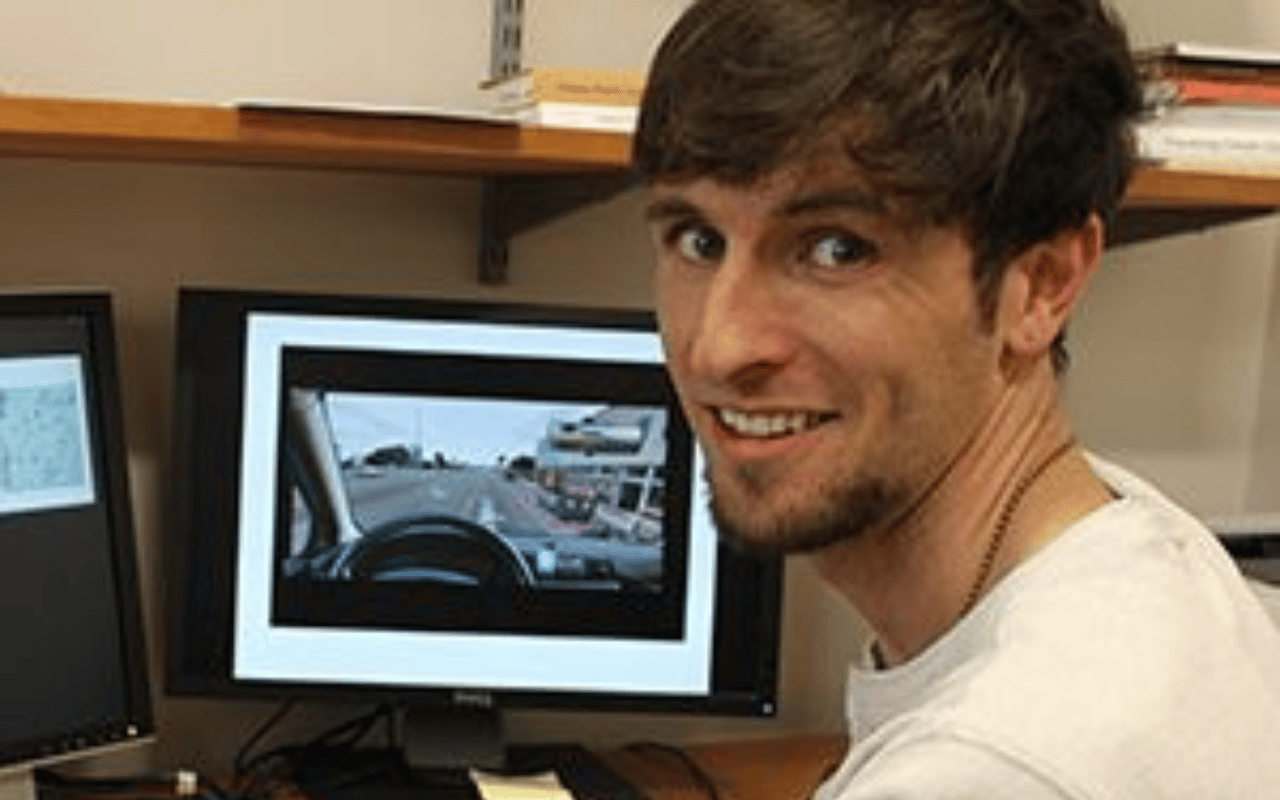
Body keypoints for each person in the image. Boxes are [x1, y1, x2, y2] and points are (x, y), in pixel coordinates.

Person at [634, 0, 1280, 796]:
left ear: (1041, 285)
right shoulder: (1134, 545)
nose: (719, 346)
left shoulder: (989, 767)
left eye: (837, 249)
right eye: (698, 239)